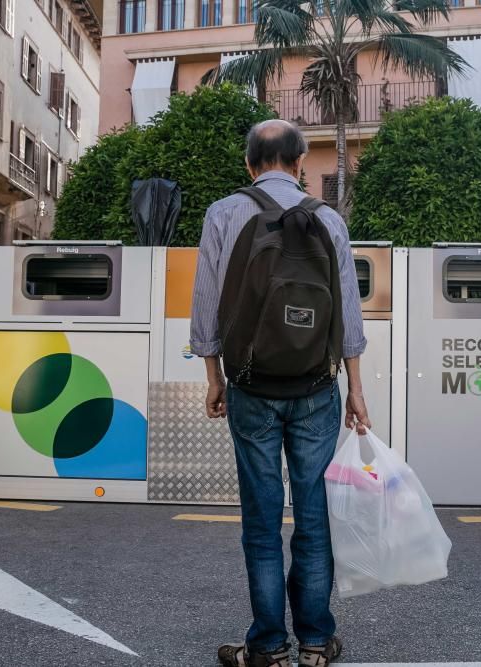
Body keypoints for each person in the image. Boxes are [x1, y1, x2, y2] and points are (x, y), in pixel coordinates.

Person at [190, 119, 370, 667]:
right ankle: (316, 642)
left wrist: (215, 377)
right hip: (318, 386)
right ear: (300, 163)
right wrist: (356, 389)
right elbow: (348, 313)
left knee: (262, 519)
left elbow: (206, 304)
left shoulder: (224, 212)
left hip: (251, 386)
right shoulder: (330, 220)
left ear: (250, 164)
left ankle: (268, 646)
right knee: (314, 517)